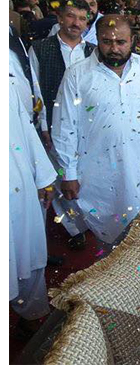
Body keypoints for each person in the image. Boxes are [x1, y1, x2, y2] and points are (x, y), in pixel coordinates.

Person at [51, 15, 140, 250]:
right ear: (96, 39)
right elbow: (64, 126)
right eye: (107, 42)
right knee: (109, 237)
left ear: (133, 40)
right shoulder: (77, 74)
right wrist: (68, 172)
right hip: (99, 169)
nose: (114, 48)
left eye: (121, 42)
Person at [9, 73, 57, 339]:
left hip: (17, 188)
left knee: (27, 252)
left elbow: (26, 130)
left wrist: (44, 179)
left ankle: (32, 317)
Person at [29, 0, 96, 133]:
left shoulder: (94, 52)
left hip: (88, 125)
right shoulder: (39, 49)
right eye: (71, 16)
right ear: (60, 19)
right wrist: (43, 125)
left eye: (82, 19)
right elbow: (35, 91)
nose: (76, 23)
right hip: (52, 124)